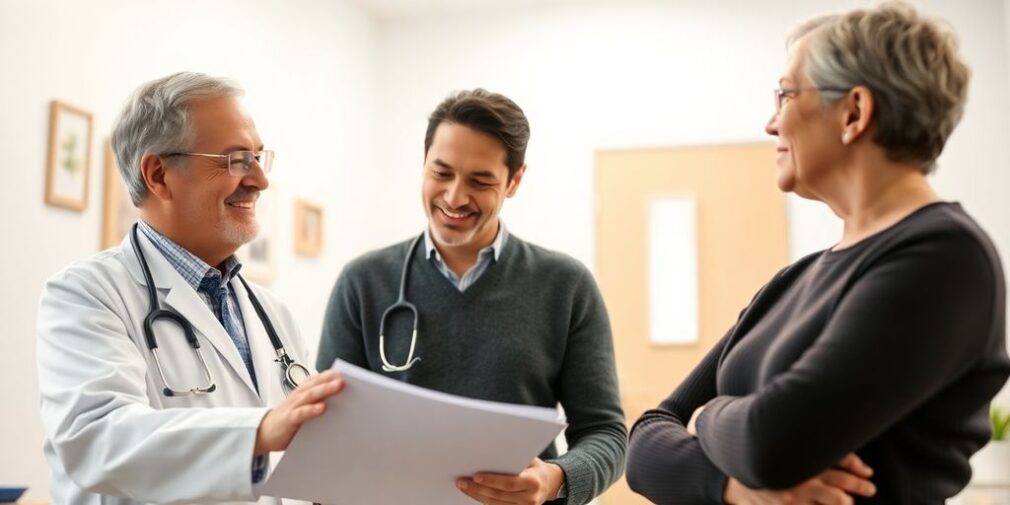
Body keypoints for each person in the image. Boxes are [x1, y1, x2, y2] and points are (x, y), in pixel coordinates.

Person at [625, 3, 1010, 504]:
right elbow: (644, 443)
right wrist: (733, 489)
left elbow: (773, 441)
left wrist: (705, 416)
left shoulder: (944, 258)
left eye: (785, 95)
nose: (770, 123)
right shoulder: (794, 280)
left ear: (853, 112)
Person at [36, 72, 344, 504]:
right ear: (159, 174)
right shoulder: (86, 295)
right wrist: (259, 431)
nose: (260, 180)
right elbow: (97, 441)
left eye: (258, 158)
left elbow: (306, 463)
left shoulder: (272, 314)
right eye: (237, 159)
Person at [317, 88, 626, 505]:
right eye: (441, 173)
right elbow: (330, 432)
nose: (455, 197)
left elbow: (605, 435)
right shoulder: (363, 283)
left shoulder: (566, 286)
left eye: (480, 181)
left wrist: (555, 478)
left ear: (514, 181)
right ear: (423, 164)